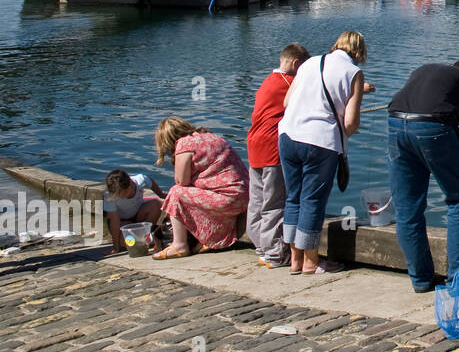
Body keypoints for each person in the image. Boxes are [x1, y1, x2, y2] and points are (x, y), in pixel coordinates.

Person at [386, 59, 459, 292]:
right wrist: (458, 165)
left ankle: (421, 280)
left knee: (407, 207)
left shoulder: (425, 69)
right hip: (432, 127)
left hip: (395, 122)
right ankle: (458, 280)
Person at [278, 31, 373, 274]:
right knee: (312, 201)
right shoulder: (353, 74)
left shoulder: (310, 62)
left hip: (288, 135)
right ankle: (311, 262)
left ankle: (295, 260)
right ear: (359, 52)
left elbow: (287, 103)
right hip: (319, 143)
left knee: (293, 197)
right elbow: (350, 123)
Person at [246, 42, 310, 269]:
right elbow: (318, 94)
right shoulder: (289, 82)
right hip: (272, 147)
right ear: (295, 64)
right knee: (274, 202)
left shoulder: (267, 81)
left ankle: (261, 248)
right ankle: (274, 254)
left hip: (254, 144)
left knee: (257, 200)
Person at [151, 118, 250, 259]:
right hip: (244, 196)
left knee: (175, 192)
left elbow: (181, 181)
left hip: (227, 199)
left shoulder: (184, 143)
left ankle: (179, 245)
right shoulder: (211, 136)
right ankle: (208, 240)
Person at [103, 168, 165, 253]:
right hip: (122, 222)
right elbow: (114, 220)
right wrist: (116, 247)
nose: (120, 197)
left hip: (138, 214)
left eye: (122, 194)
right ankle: (143, 238)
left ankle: (146, 233)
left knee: (156, 205)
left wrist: (161, 194)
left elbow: (149, 180)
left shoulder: (139, 181)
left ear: (130, 185)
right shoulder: (109, 196)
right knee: (127, 244)